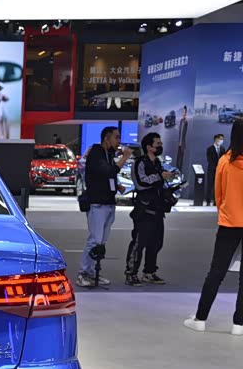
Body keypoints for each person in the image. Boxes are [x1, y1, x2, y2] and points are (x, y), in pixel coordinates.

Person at [185, 117, 243, 336]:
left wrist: (225, 214)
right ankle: (239, 323)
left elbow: (218, 195)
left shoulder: (225, 162)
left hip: (229, 223)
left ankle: (200, 318)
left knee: (216, 272)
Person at [75, 126, 134, 287]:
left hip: (108, 202)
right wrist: (125, 157)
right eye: (116, 137)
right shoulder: (96, 153)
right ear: (106, 139)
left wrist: (117, 185)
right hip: (97, 204)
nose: (119, 141)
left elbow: (107, 176)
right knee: (94, 240)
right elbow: (108, 171)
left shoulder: (108, 154)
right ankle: (83, 273)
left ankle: (93, 272)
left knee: (101, 241)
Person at [123, 132, 176, 287]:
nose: (160, 146)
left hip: (158, 209)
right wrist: (160, 177)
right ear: (149, 147)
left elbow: (158, 183)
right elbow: (140, 183)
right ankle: (131, 273)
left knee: (156, 243)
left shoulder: (158, 162)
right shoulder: (139, 162)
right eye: (157, 144)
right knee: (139, 243)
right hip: (144, 210)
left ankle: (149, 272)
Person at [205, 133, 226, 206]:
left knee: (217, 187)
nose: (222, 140)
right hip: (212, 170)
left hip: (220, 171)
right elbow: (209, 160)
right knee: (210, 186)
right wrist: (216, 167)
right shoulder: (210, 149)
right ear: (216, 139)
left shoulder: (223, 149)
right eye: (220, 139)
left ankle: (215, 201)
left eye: (222, 139)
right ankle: (208, 201)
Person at [176, 105, 188, 171]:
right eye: (183, 112)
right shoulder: (181, 121)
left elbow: (185, 124)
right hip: (179, 143)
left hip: (182, 144)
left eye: (184, 112)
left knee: (181, 158)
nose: (183, 114)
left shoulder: (185, 122)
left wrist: (185, 118)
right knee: (178, 158)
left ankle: (180, 170)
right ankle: (176, 169)